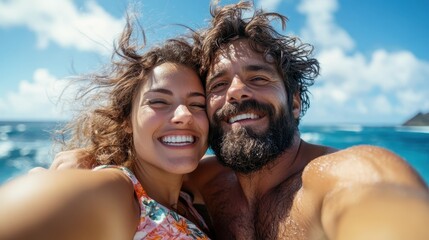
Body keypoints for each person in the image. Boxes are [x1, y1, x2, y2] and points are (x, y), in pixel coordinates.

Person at [46, 1, 429, 240]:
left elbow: (382, 207)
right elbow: (144, 166)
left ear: (295, 102)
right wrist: (89, 157)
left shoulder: (342, 175)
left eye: (258, 78)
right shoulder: (205, 180)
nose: (236, 92)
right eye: (217, 84)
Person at [0, 19, 212, 240]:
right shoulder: (119, 192)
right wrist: (50, 189)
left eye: (197, 104)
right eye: (159, 102)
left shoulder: (190, 196)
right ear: (126, 121)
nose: (184, 115)